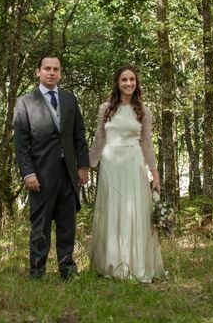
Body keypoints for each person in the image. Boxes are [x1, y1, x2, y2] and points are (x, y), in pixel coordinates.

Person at [13, 55, 90, 280]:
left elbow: (79, 133)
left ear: (60, 73)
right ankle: (37, 272)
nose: (51, 72)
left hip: (68, 173)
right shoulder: (25, 102)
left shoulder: (69, 99)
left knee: (67, 225)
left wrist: (83, 166)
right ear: (38, 72)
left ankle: (67, 270)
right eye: (47, 68)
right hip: (41, 175)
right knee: (41, 226)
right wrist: (28, 172)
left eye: (56, 69)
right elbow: (21, 142)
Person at [89, 65, 164, 282]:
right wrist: (86, 168)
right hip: (111, 165)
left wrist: (154, 173)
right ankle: (111, 265)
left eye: (132, 79)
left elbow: (147, 144)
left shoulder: (144, 111)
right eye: (124, 79)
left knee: (134, 213)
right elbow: (99, 141)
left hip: (133, 164)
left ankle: (136, 265)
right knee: (113, 211)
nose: (128, 83)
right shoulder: (106, 109)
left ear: (137, 83)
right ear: (117, 83)